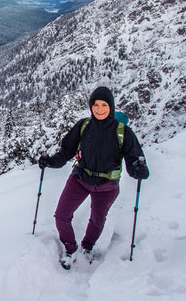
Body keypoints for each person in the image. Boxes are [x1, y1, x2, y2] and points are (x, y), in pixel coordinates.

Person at [38, 86, 149, 269]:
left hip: (107, 186)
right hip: (80, 179)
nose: (99, 109)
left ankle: (87, 247)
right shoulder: (84, 126)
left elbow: (133, 159)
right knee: (61, 216)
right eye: (95, 104)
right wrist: (50, 162)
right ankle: (70, 249)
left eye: (104, 105)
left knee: (97, 220)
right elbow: (66, 152)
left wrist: (139, 169)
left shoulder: (123, 132)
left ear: (111, 107)